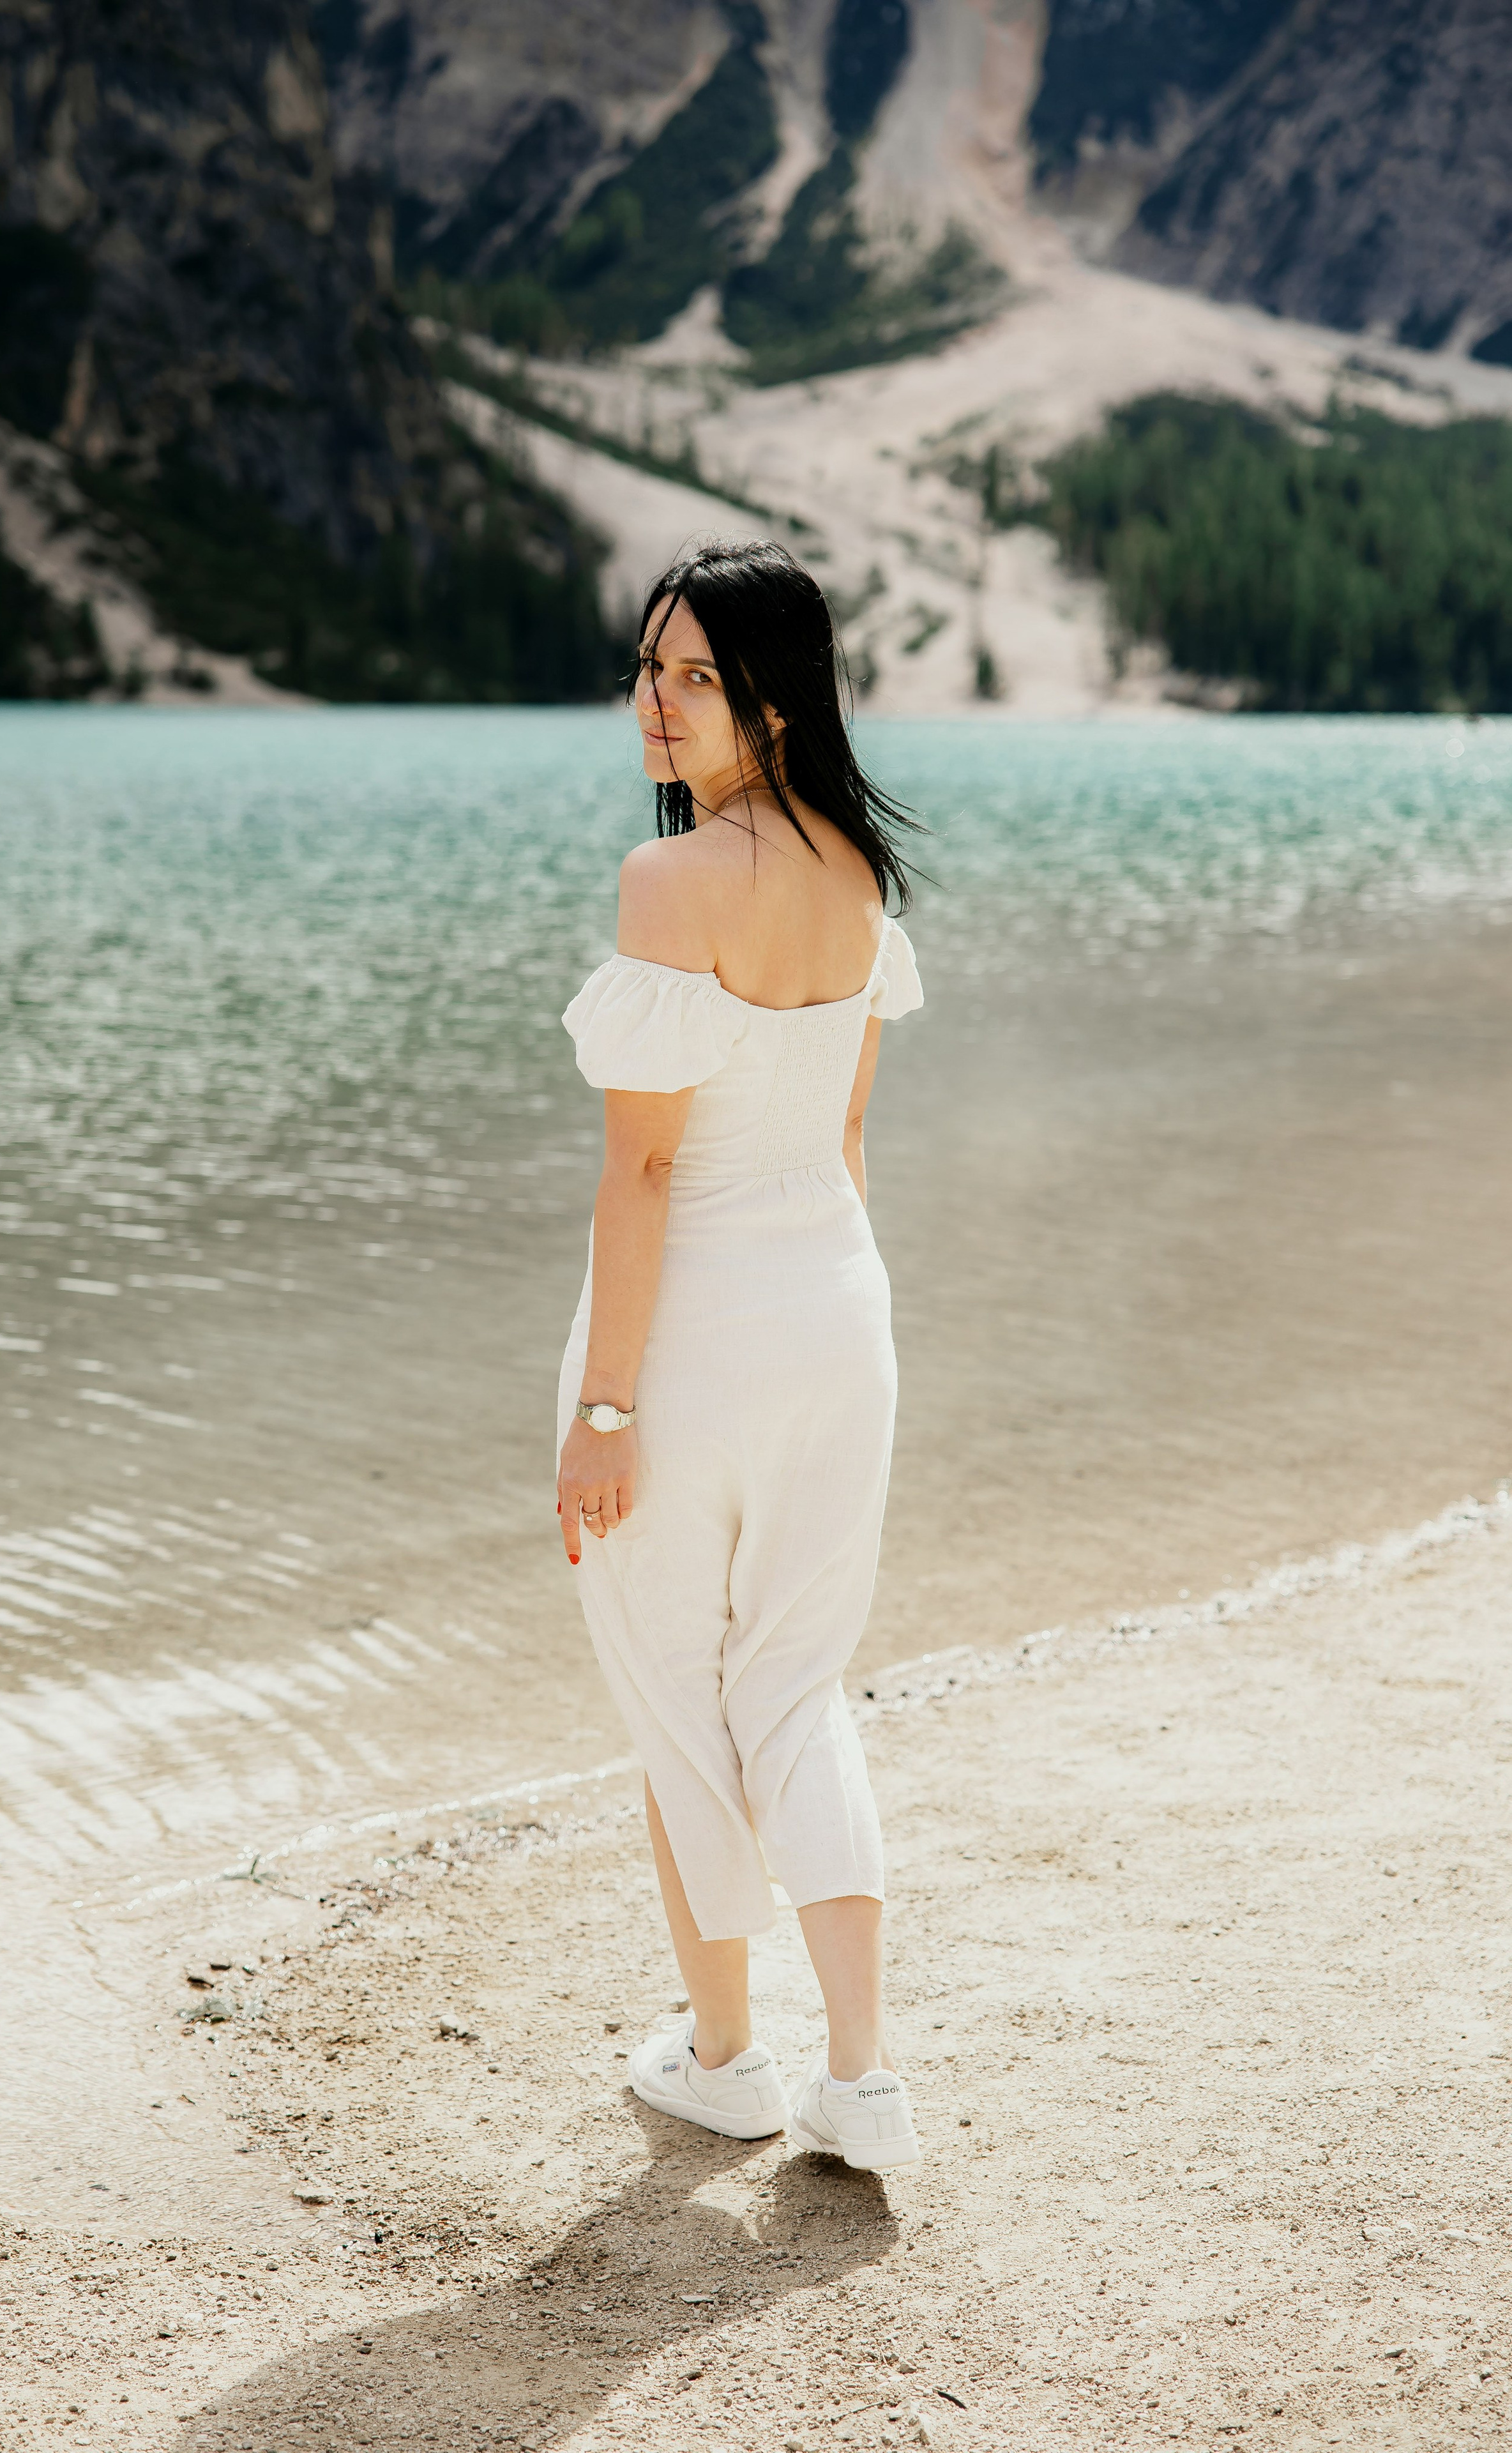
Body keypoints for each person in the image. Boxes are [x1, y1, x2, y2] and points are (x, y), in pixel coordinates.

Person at [555, 538, 926, 2173]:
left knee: (674, 1695)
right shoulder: (853, 868)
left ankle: (725, 2059)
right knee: (792, 1681)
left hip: (696, 1322)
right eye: (647, 664)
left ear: (775, 694)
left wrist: (604, 1406)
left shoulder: (671, 881)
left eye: (694, 673)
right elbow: (841, 1135)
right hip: (836, 1310)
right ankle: (862, 2081)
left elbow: (640, 1172)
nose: (657, 698)